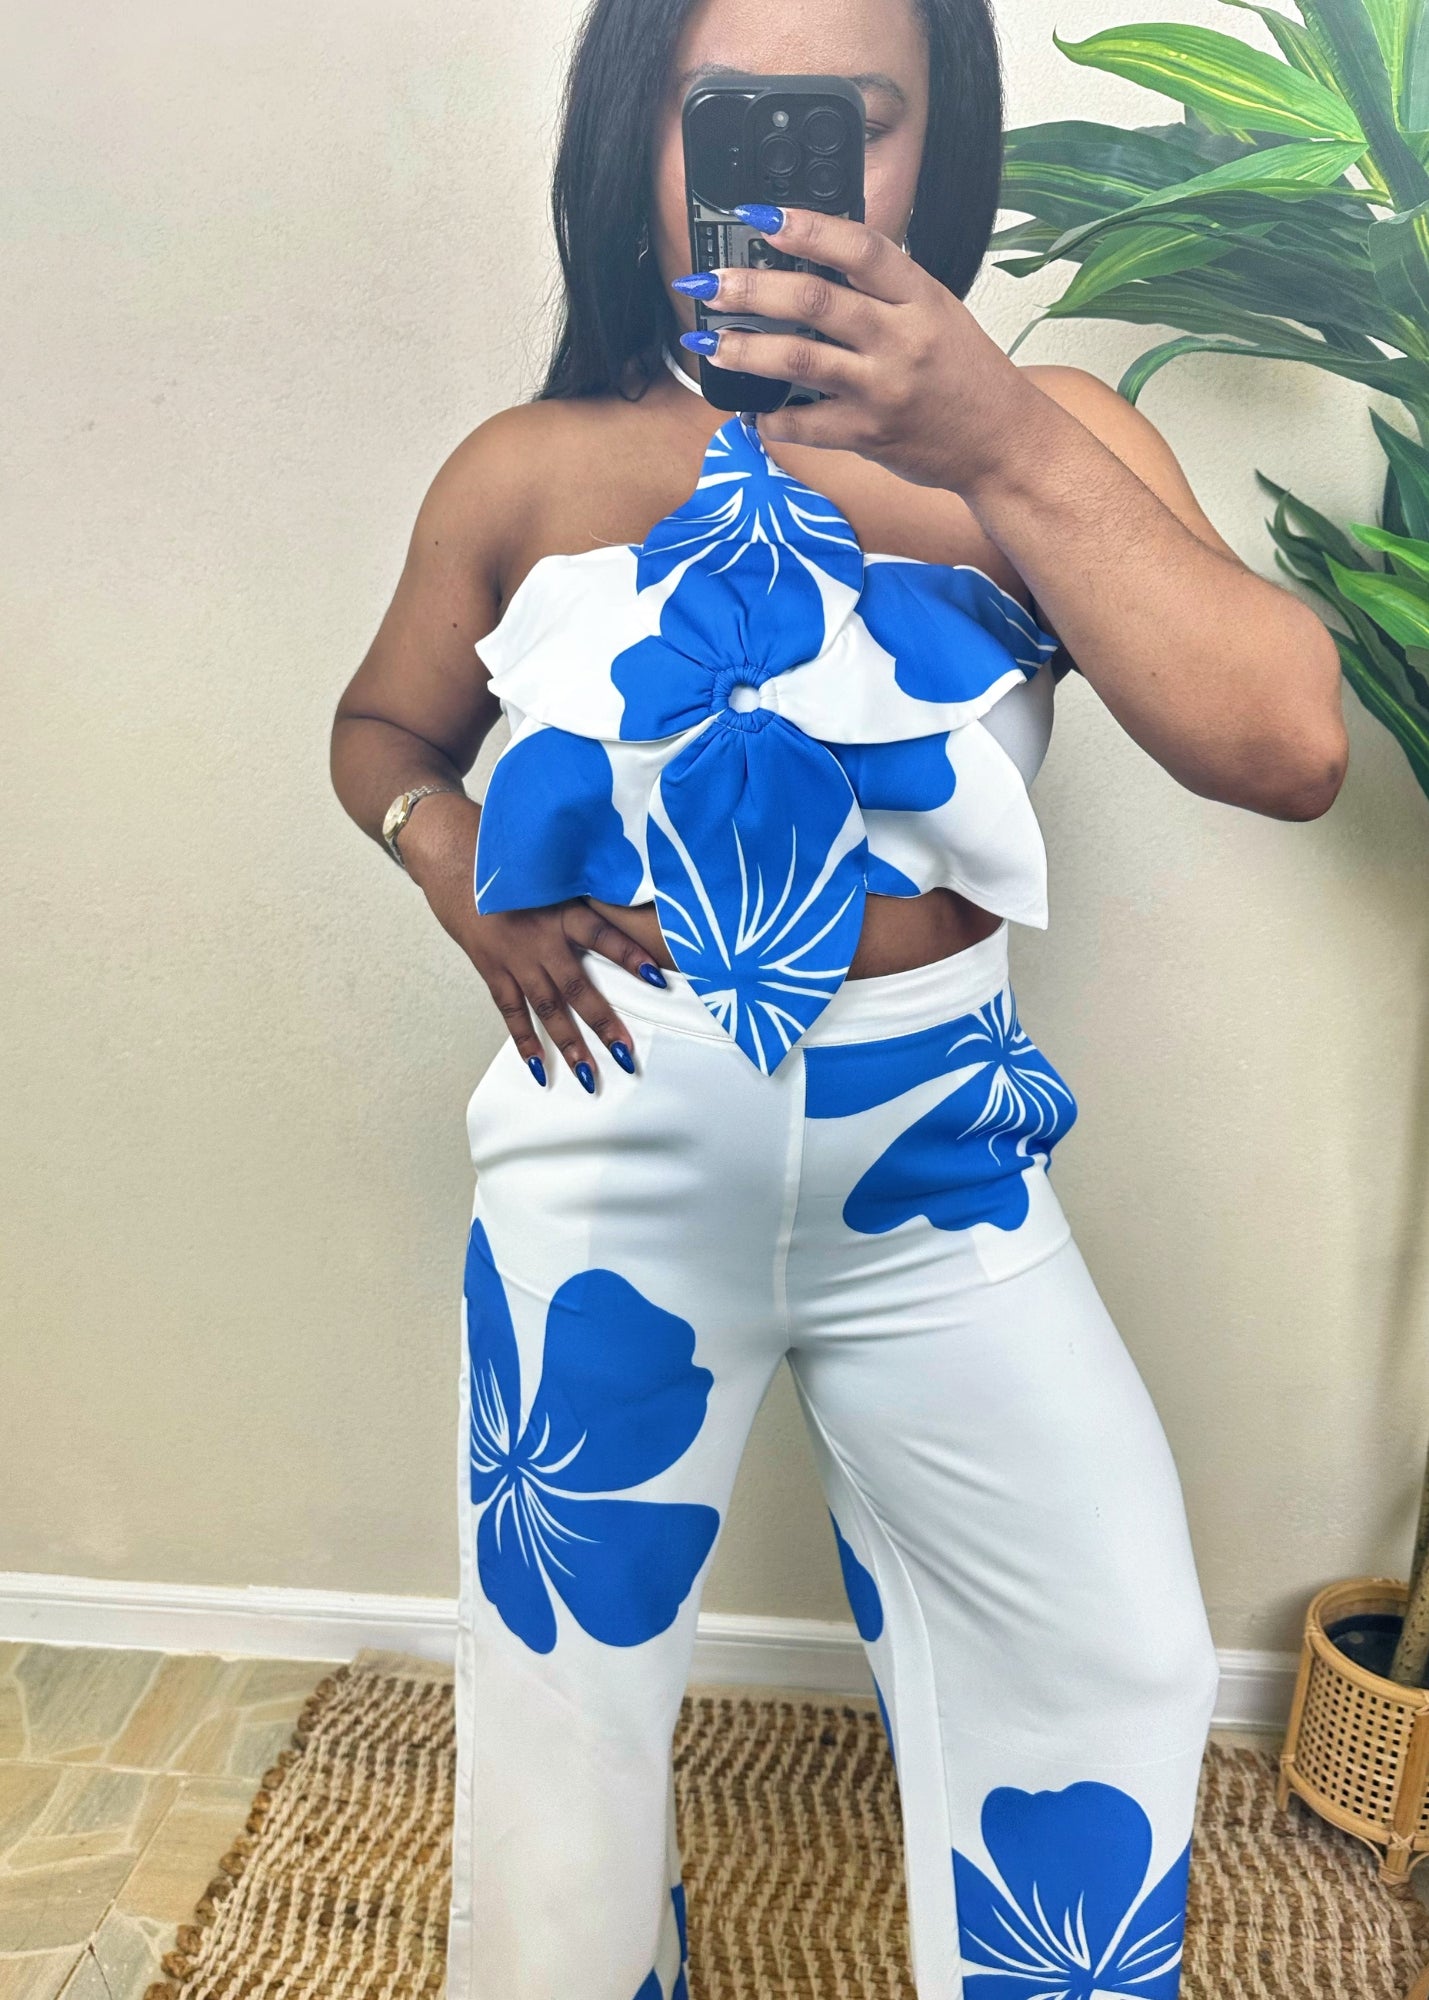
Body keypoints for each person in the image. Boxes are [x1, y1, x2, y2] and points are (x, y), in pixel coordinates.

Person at [329, 0, 1348, 1994]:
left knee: (1112, 1649)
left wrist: (996, 437)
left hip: (936, 1172)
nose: (799, 176)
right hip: (602, 1162)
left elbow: (1288, 745)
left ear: (932, 145)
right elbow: (383, 727)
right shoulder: (530, 467)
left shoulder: (1045, 438)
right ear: (637, 142)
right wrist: (447, 861)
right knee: (563, 1716)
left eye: (856, 121)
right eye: (730, 117)